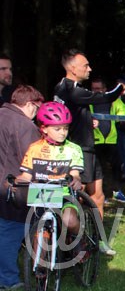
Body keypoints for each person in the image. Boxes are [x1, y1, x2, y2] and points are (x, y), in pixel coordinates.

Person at [54, 49, 124, 255]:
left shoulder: (62, 87)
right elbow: (105, 97)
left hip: (88, 149)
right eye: (85, 65)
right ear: (72, 68)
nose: (89, 69)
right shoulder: (71, 89)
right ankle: (73, 243)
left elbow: (70, 113)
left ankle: (99, 241)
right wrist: (120, 87)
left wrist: (85, 119)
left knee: (98, 196)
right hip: (78, 151)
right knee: (77, 197)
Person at [17, 102, 84, 249]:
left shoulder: (74, 149)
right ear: (44, 128)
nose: (62, 132)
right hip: (41, 195)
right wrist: (15, 182)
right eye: (57, 129)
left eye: (65, 128)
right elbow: (26, 176)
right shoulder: (34, 148)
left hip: (65, 194)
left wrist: (76, 179)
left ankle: (80, 238)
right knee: (39, 231)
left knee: (69, 220)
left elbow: (75, 174)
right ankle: (39, 262)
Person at [0, 85, 44, 291]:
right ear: (29, 104)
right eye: (37, 108)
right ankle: (7, 279)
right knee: (12, 231)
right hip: (14, 188)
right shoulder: (24, 125)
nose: (37, 113)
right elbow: (34, 160)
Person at [90, 77, 125, 203]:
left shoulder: (112, 100)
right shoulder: (88, 100)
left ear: (104, 89)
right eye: (93, 89)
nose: (96, 91)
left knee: (116, 167)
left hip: (111, 140)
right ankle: (100, 194)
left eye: (98, 88)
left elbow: (124, 110)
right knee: (98, 169)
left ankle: (117, 192)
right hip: (95, 141)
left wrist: (117, 119)